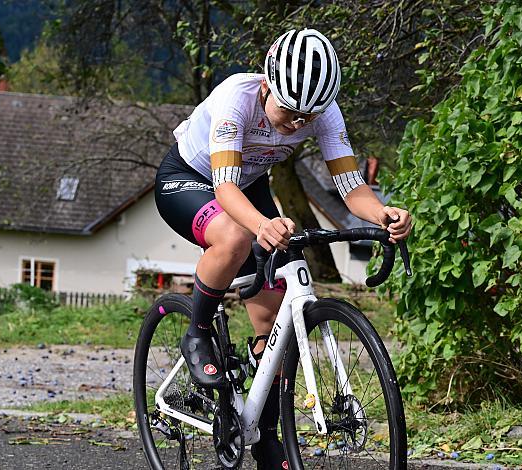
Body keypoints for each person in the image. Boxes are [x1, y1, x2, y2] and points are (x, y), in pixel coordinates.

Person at [155, 28, 413, 470]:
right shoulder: (237, 98)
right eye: (290, 111)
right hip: (191, 180)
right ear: (268, 83)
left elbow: (351, 187)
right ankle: (196, 333)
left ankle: (265, 436)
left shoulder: (324, 113)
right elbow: (225, 188)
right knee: (235, 238)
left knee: (274, 319)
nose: (297, 124)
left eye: (306, 118)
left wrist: (382, 213)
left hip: (248, 186)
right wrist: (262, 226)